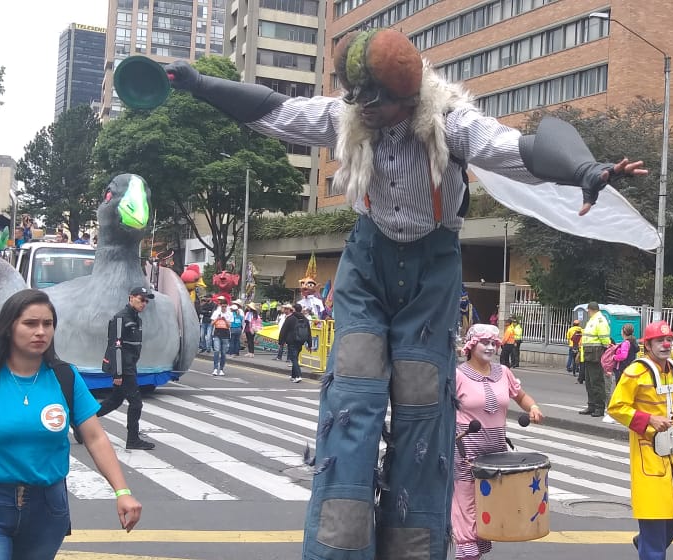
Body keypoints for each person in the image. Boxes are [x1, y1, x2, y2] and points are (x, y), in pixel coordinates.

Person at [163, 27, 646, 559]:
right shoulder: (347, 117)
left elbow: (518, 148)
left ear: (408, 96)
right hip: (367, 264)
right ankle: (338, 548)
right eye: (357, 98)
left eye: (377, 100)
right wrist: (198, 83)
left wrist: (584, 169)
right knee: (352, 397)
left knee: (422, 406)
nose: (365, 110)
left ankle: (413, 548)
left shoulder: (449, 123)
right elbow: (275, 109)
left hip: (431, 272)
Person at [0, 289, 142, 560]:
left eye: (47, 324)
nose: (40, 332)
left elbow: (95, 438)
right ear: (9, 328)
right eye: (30, 323)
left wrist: (122, 491)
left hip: (47, 510)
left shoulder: (65, 377)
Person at [607, 321, 673, 560]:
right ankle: (650, 546)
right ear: (648, 345)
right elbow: (616, 407)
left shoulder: (672, 369)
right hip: (648, 452)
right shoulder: (635, 372)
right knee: (654, 515)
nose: (666, 344)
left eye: (668, 339)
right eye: (660, 341)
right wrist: (649, 419)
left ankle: (646, 543)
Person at [451, 324, 543, 560]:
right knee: (466, 510)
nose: (490, 347)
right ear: (471, 345)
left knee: (487, 511)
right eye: (485, 342)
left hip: (496, 455)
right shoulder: (457, 375)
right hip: (466, 453)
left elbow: (520, 396)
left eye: (494, 343)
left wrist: (532, 407)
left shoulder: (503, 372)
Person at [95, 287, 156, 450]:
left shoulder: (136, 319)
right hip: (123, 367)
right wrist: (118, 373)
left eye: (146, 301)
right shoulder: (121, 318)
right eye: (141, 299)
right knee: (136, 403)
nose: (144, 303)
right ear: (131, 298)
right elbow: (116, 347)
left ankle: (81, 422)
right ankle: (133, 439)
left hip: (130, 366)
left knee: (115, 401)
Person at [579, 302, 611, 417]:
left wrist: (605, 350)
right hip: (589, 354)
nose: (587, 312)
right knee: (589, 382)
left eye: (588, 310)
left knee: (596, 382)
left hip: (596, 355)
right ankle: (591, 405)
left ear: (590, 309)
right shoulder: (592, 320)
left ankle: (599, 407)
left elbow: (605, 340)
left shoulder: (600, 320)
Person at [282, 303, 311, 383]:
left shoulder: (290, 318)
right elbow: (309, 332)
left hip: (292, 341)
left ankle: (298, 376)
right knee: (295, 357)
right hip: (301, 341)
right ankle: (293, 375)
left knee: (293, 358)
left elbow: (284, 330)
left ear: (294, 309)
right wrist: (310, 344)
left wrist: (281, 341)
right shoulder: (305, 319)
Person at [210, 301, 235, 376]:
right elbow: (212, 323)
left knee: (223, 353)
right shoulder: (216, 313)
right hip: (217, 333)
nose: (224, 308)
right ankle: (215, 368)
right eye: (222, 306)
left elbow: (229, 325)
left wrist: (225, 320)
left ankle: (221, 369)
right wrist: (217, 319)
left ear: (227, 306)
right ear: (220, 306)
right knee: (217, 351)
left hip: (225, 334)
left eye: (225, 306)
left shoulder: (229, 314)